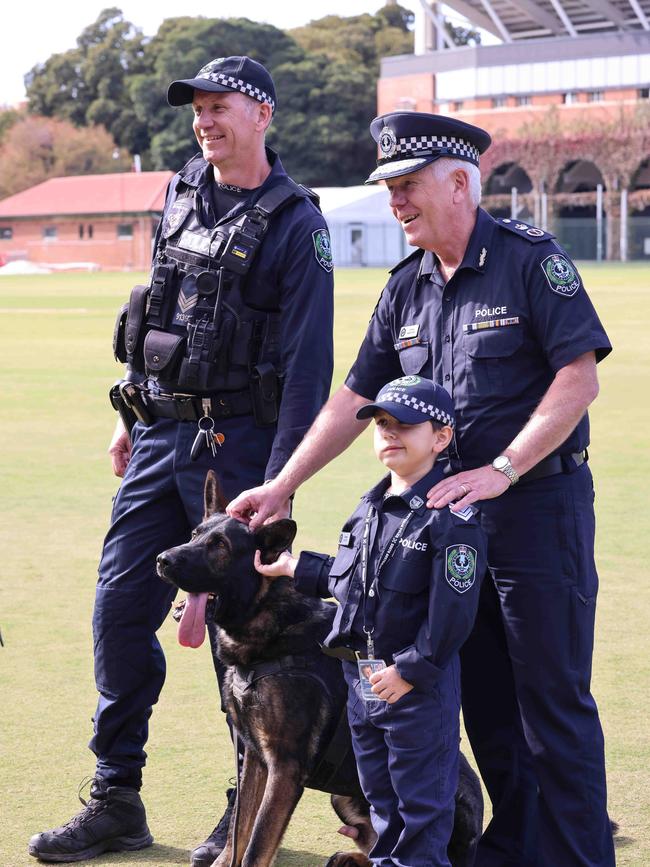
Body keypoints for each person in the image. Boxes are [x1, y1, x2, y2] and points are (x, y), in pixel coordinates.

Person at [228, 111, 616, 866]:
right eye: (389, 189)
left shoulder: (528, 262)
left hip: (536, 513)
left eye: (408, 186)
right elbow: (351, 399)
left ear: (461, 182)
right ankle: (517, 851)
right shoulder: (404, 287)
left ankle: (580, 855)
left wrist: (501, 469)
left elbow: (579, 376)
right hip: (444, 534)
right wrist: (282, 485)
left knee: (553, 710)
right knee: (488, 710)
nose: (395, 203)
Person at [28, 55, 334, 865]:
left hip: (242, 450)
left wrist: (285, 481)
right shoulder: (181, 189)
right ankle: (115, 796)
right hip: (161, 436)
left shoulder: (297, 223)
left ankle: (242, 807)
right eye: (197, 108)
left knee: (243, 637)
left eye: (220, 106)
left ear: (262, 113)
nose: (204, 119)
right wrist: (131, 407)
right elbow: (157, 304)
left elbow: (308, 367)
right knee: (119, 607)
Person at [255, 376, 487, 866]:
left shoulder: (449, 518)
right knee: (382, 805)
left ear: (440, 437)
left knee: (420, 810)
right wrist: (295, 568)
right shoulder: (369, 507)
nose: (389, 433)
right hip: (361, 683)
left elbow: (453, 612)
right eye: (382, 423)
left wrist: (412, 670)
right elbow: (354, 580)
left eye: (405, 425)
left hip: (414, 689)